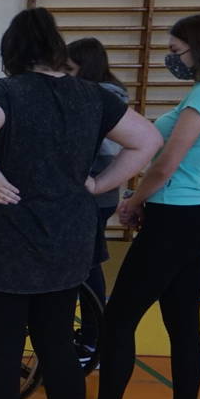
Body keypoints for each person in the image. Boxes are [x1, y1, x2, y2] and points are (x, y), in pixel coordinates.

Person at [0, 7, 161, 399]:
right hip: (68, 239)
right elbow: (147, 140)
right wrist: (101, 184)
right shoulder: (92, 95)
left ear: (11, 51)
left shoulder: (6, 92)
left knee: (4, 350)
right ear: (56, 48)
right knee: (58, 345)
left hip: (7, 239)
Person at [68, 14, 200, 399]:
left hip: (175, 221)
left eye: (175, 51)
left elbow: (166, 164)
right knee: (183, 322)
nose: (171, 58)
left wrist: (134, 201)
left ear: (199, 49)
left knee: (118, 319)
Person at [64, 37, 130, 357]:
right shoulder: (99, 95)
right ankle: (89, 336)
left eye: (70, 69)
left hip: (95, 194)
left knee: (86, 268)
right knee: (82, 266)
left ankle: (93, 340)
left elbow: (106, 146)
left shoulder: (104, 97)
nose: (65, 75)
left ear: (86, 68)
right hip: (90, 194)